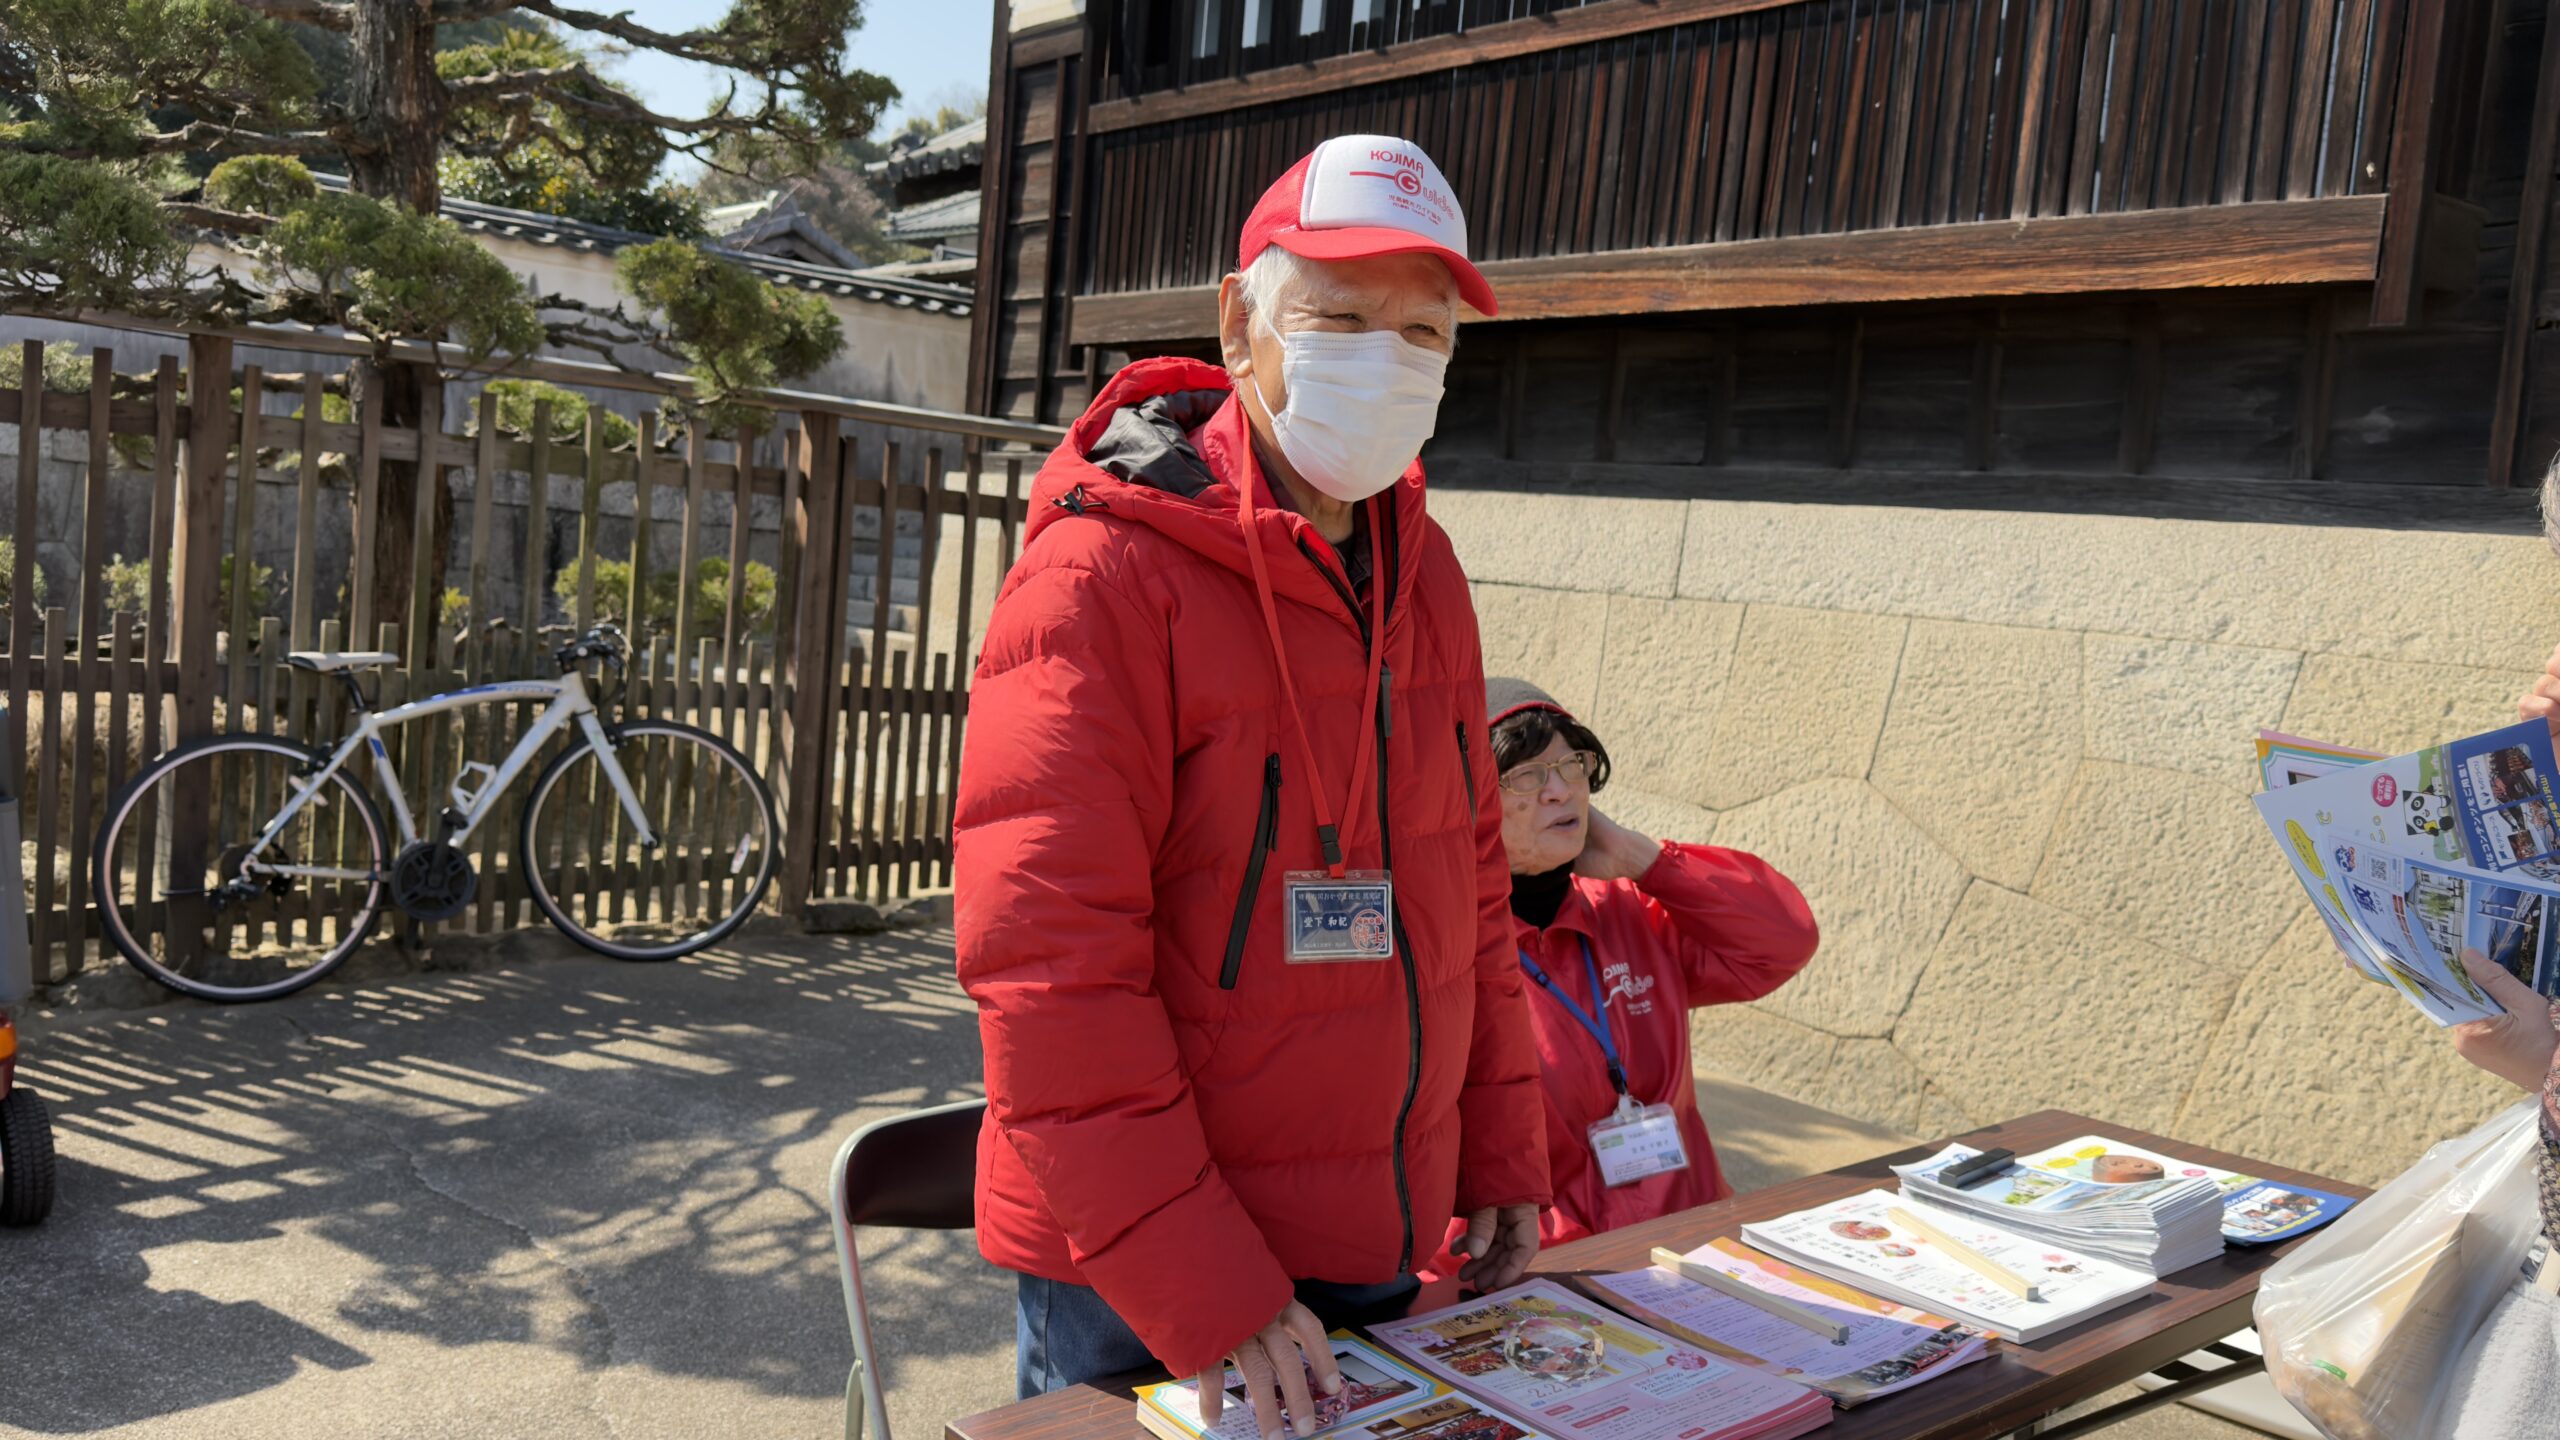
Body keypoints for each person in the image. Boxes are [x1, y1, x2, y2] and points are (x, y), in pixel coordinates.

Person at [953, 134, 1549, 1432]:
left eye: (1424, 335)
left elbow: (1473, 892)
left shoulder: (1425, 572)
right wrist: (1207, 1283)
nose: (1382, 362)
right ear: (1240, 324)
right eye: (1338, 316)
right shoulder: (1102, 576)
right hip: (1143, 1269)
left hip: (1379, 1231)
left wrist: (1503, 1148)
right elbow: (1048, 972)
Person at [1423, 679, 1817, 1270]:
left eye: (1572, 765)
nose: (1560, 791)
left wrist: (1645, 860)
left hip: (1693, 1250)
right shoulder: (1440, 948)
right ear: (1470, 800)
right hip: (1539, 1275)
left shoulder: (1630, 909)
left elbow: (1782, 941)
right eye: (1528, 775)